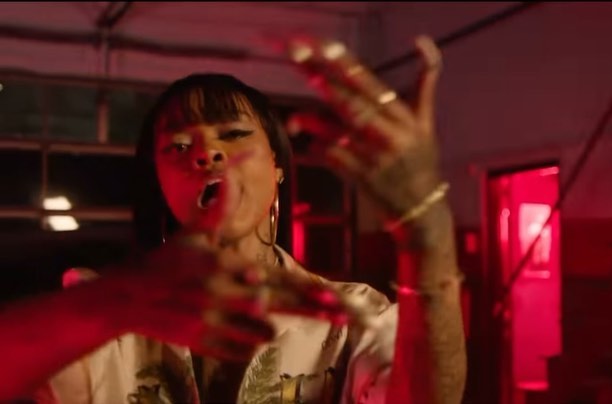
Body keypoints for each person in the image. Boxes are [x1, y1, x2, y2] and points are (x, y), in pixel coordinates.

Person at [1, 35, 466, 403]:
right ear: (158, 181)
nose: (207, 152)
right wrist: (116, 301)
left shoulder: (351, 318)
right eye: (179, 146)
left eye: (234, 134)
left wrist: (427, 236)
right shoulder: (108, 311)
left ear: (278, 168)